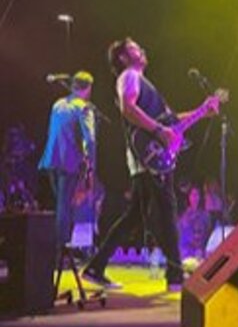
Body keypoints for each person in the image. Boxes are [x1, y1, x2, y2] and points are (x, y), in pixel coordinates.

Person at [83, 38, 219, 291]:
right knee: (167, 212)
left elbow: (172, 122)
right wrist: (158, 130)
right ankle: (175, 276)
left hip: (148, 159)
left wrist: (202, 111)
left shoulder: (145, 85)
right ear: (123, 57)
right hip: (148, 159)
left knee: (134, 216)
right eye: (134, 47)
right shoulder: (129, 75)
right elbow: (127, 107)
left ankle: (95, 267)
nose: (142, 49)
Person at [38, 71, 97, 259]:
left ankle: (58, 248)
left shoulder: (58, 104)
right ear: (87, 88)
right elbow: (90, 139)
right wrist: (90, 163)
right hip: (69, 161)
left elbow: (50, 132)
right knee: (65, 206)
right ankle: (61, 251)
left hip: (51, 159)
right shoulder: (83, 107)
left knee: (60, 204)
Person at [178, 185, 212, 261]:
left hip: (201, 253)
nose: (195, 198)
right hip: (187, 253)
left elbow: (207, 234)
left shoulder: (204, 215)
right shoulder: (183, 217)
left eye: (197, 195)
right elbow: (183, 237)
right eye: (193, 195)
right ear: (189, 197)